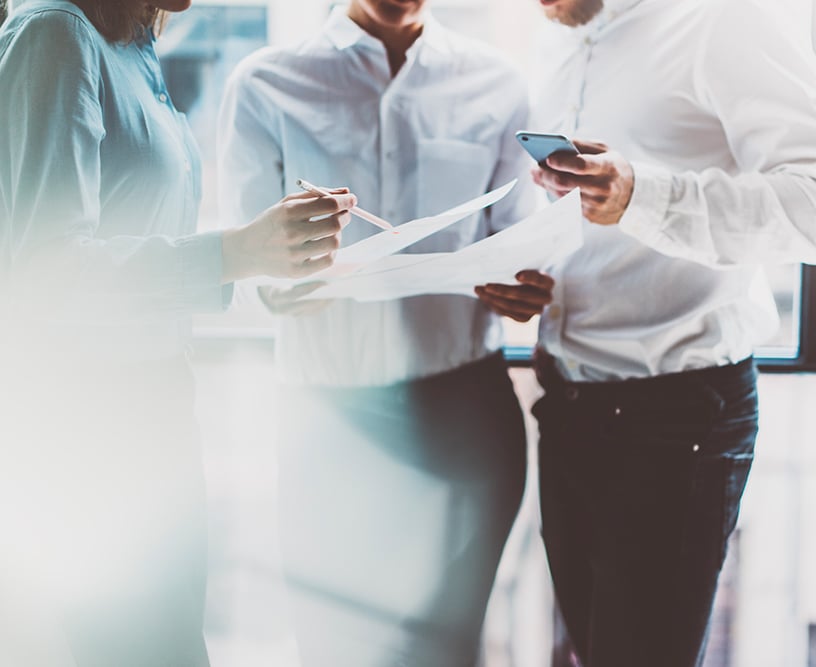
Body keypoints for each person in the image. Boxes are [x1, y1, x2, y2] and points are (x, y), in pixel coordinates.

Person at [495, 0, 816, 664]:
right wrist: (534, 277)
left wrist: (644, 196)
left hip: (675, 420)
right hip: (566, 408)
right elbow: (587, 218)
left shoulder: (724, 18)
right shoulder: (562, 41)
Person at [0, 1, 355, 665]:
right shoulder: (55, 34)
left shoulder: (131, 46)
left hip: (153, 419)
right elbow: (47, 271)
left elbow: (133, 229)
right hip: (81, 439)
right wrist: (235, 253)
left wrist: (267, 256)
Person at [217, 1, 552, 664]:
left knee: (447, 649)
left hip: (464, 415)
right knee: (332, 647)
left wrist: (528, 287)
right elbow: (247, 269)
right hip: (327, 421)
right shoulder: (264, 84)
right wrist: (279, 282)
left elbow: (519, 244)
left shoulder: (501, 84)